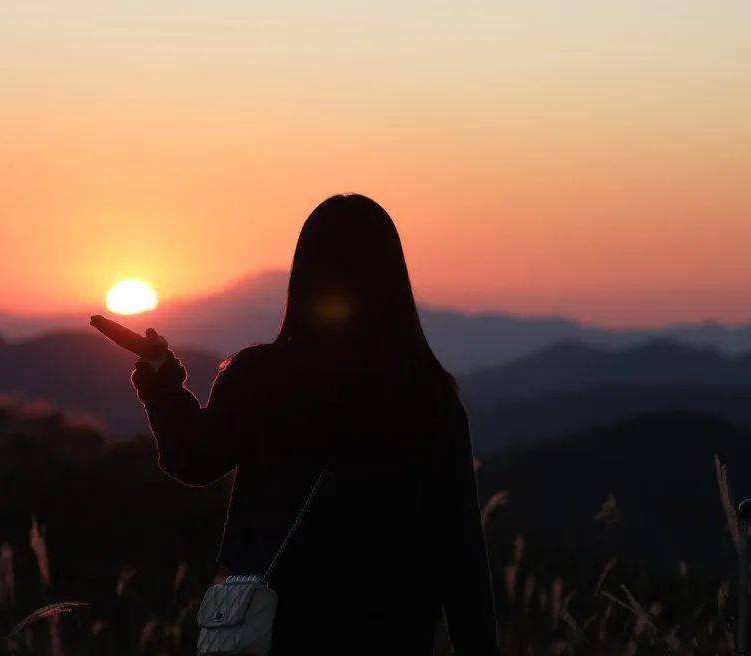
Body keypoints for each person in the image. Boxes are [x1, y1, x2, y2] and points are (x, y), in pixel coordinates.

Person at [91, 193, 500, 655]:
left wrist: (163, 378)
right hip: (389, 635)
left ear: (303, 275)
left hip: (277, 634)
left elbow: (193, 458)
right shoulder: (428, 397)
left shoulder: (262, 377)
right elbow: (462, 558)